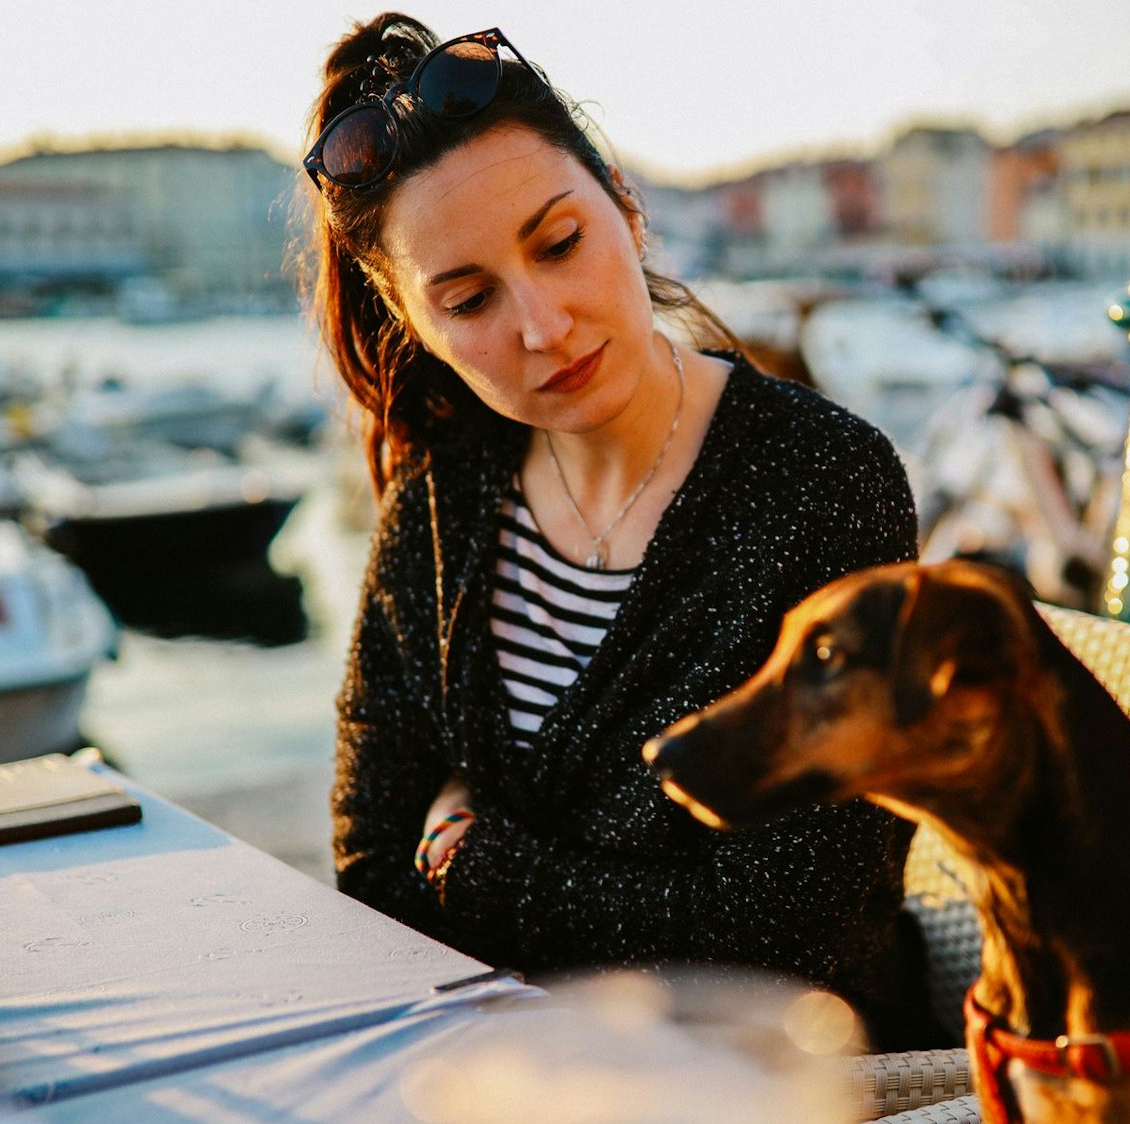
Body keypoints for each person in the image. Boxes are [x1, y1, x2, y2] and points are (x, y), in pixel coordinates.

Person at [305, 14, 925, 1031]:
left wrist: (470, 854)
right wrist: (624, 897)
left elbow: (787, 936)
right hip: (497, 1067)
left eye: (559, 243)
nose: (544, 325)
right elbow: (372, 869)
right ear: (411, 322)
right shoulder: (441, 495)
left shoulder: (823, 480)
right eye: (467, 299)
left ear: (624, 207)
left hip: (781, 1081)